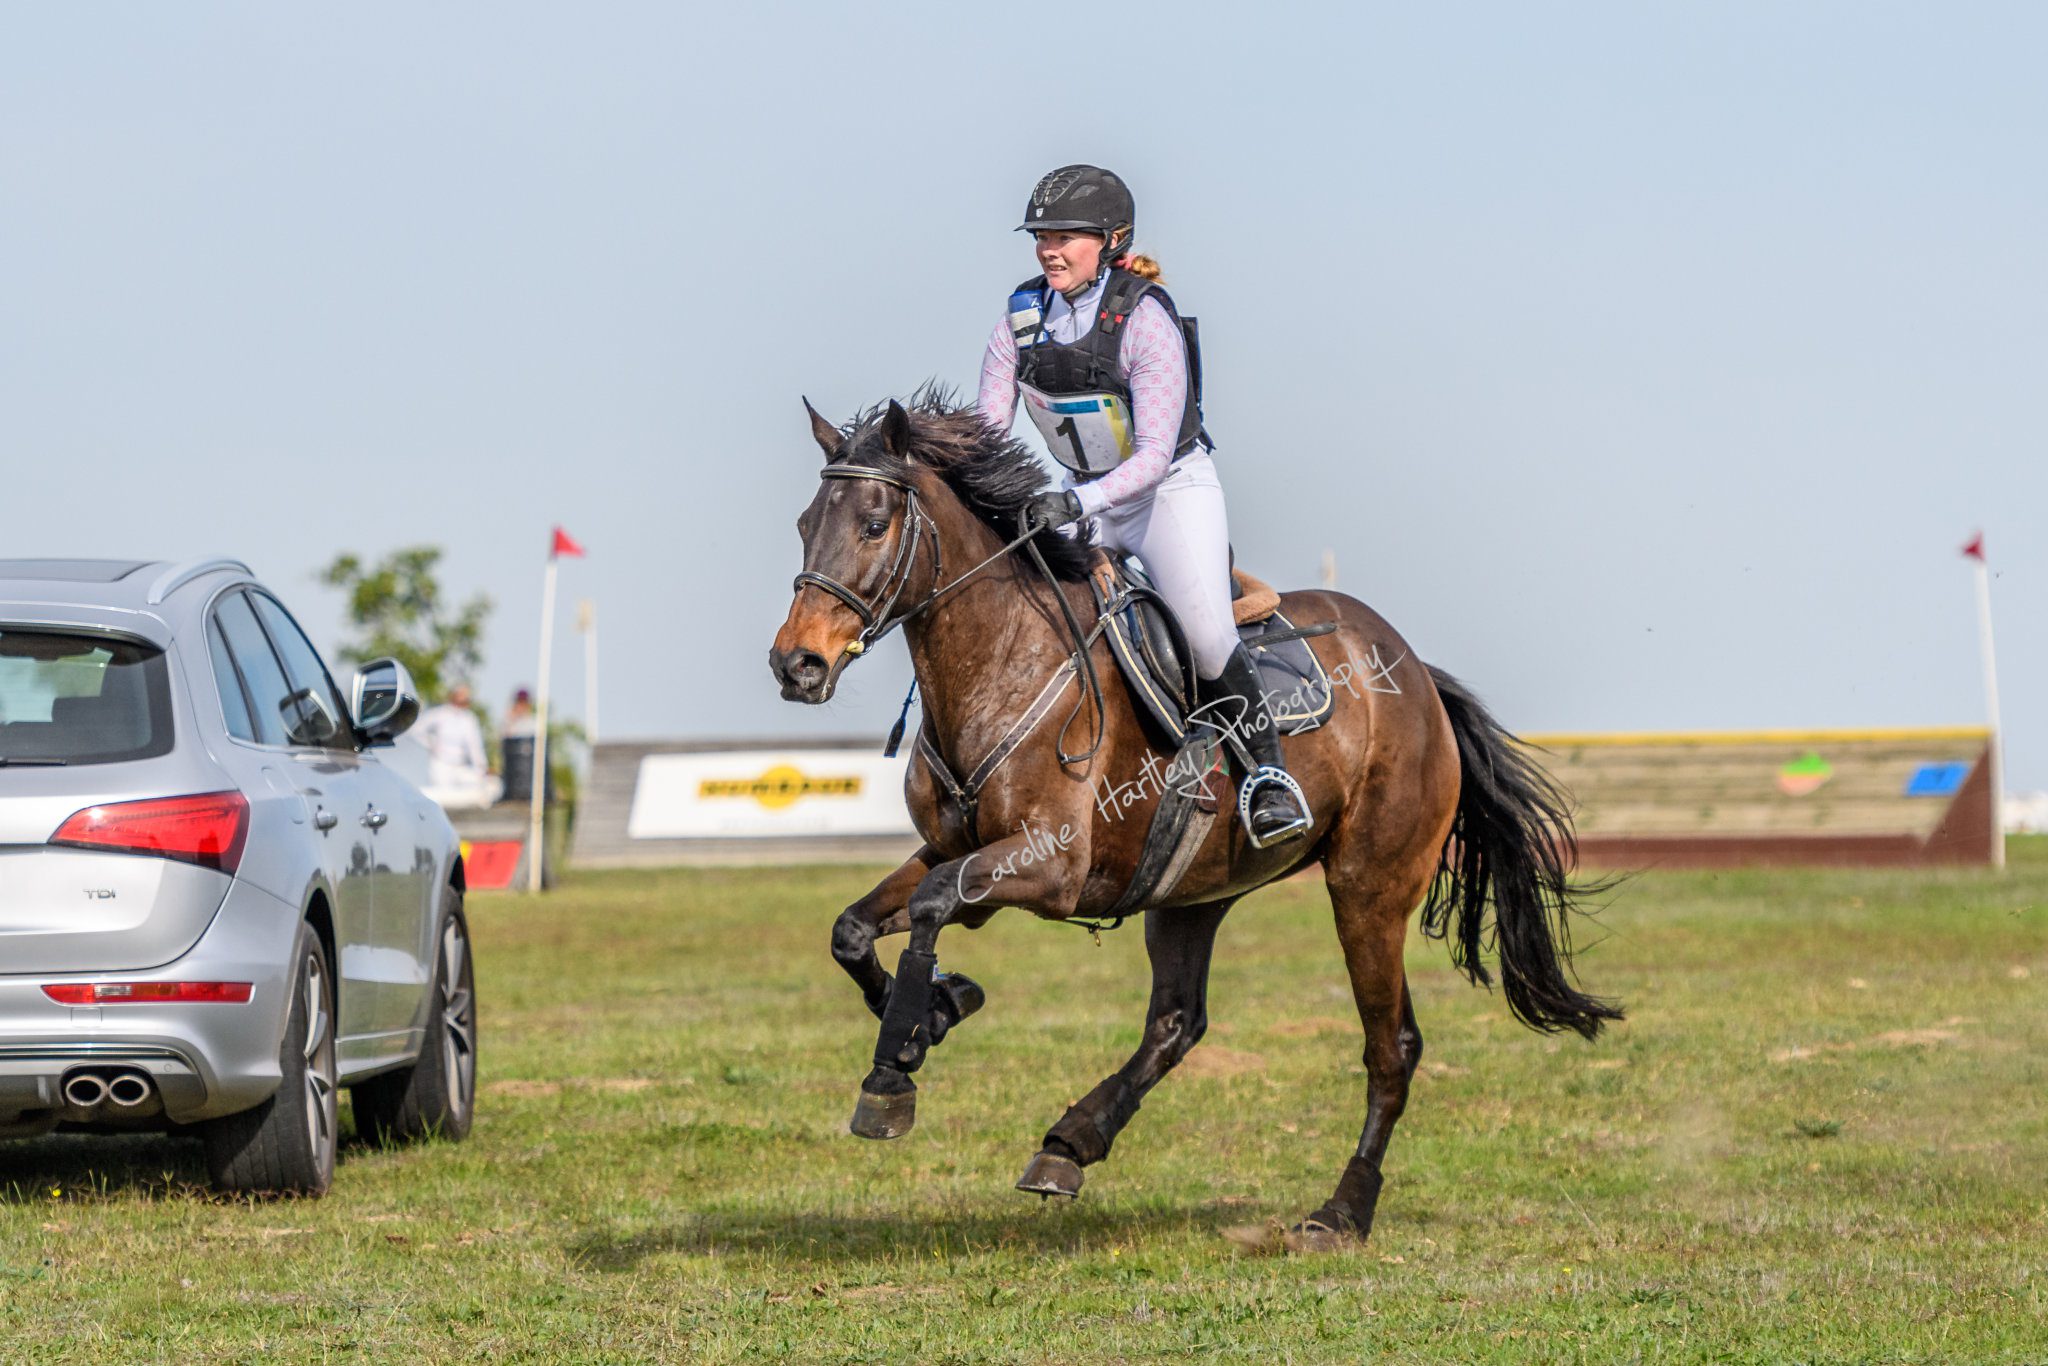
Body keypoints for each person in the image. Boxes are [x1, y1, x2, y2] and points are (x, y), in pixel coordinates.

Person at [976, 164, 1310, 848]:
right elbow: (987, 433)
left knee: (1206, 633)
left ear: (1113, 239)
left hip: (1167, 496)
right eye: (1042, 236)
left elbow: (1153, 456)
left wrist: (1070, 501)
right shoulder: (1018, 316)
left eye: (1067, 236)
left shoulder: (1143, 316)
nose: (1049, 249)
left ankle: (1268, 777)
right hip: (1084, 497)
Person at [414, 682, 494, 808]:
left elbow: (475, 747)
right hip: (441, 764)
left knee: (485, 786)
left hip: (460, 765)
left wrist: (482, 768)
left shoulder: (469, 719)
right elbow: (417, 729)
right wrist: (431, 744)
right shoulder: (440, 714)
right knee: (443, 798)